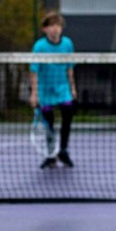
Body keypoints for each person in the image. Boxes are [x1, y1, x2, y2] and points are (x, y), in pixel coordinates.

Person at [29, 11, 77, 168]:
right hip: (45, 91)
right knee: (48, 124)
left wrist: (73, 88)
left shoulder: (68, 44)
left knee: (68, 117)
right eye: (52, 26)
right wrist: (34, 93)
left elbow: (70, 68)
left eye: (58, 26)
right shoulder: (39, 46)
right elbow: (34, 70)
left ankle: (63, 150)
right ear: (45, 29)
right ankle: (51, 155)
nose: (55, 29)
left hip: (63, 89)